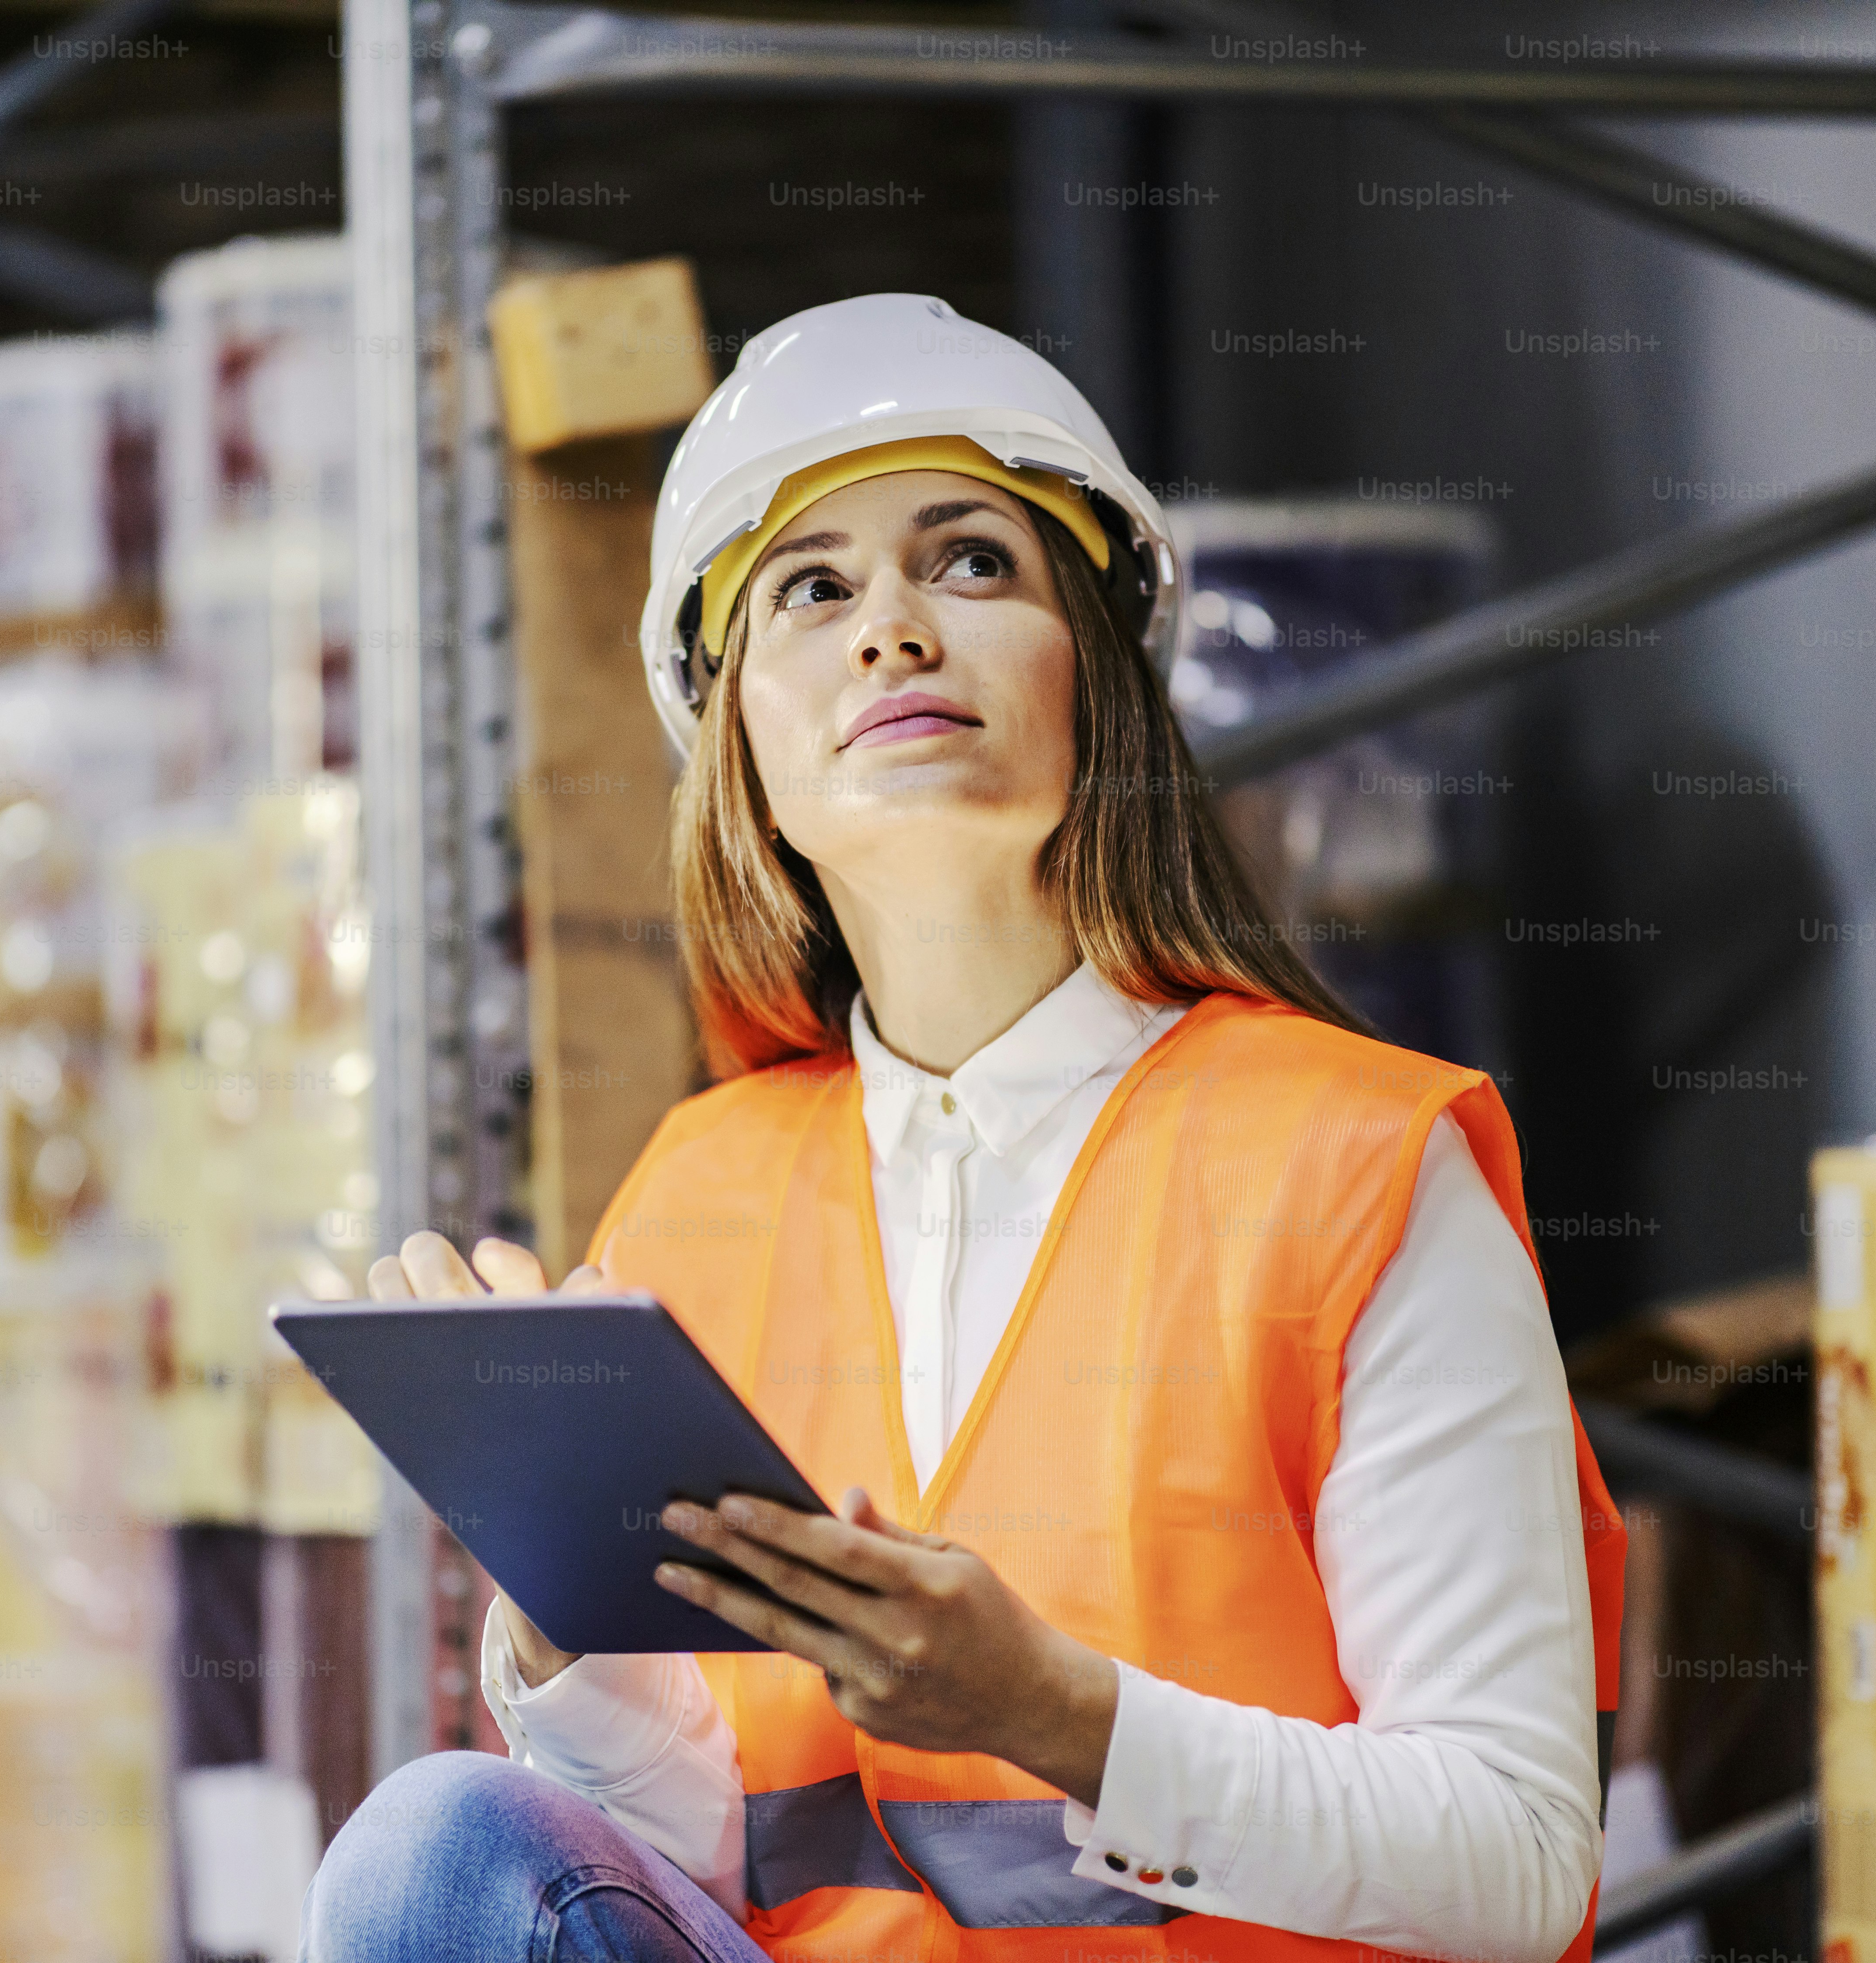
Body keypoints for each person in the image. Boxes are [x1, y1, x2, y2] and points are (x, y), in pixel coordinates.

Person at [305, 293, 1627, 1963]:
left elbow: (1512, 1862)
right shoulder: (701, 1199)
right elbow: (699, 1865)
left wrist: (1057, 1711)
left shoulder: (1353, 1168)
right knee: (440, 1846)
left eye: (974, 563)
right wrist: (571, 1625)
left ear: (1097, 674)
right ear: (742, 753)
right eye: (814, 590)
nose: (893, 631)